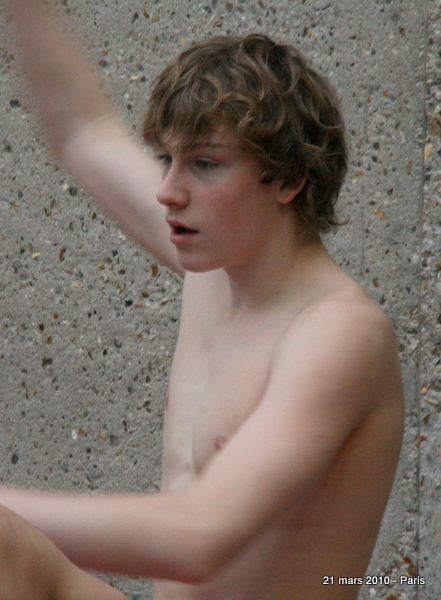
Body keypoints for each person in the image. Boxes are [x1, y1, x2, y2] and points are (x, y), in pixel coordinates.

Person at [1, 1, 404, 599]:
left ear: (289, 179)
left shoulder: (338, 335)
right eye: (167, 159)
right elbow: (83, 128)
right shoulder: (216, 267)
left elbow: (198, 537)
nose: (168, 191)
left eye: (205, 164)